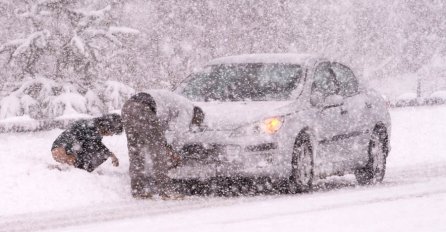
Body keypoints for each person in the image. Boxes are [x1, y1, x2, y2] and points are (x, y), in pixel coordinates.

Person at [121, 90, 195, 199]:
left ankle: (138, 190)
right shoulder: (189, 108)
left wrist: (167, 146)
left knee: (136, 152)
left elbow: (159, 129)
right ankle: (166, 191)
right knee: (159, 154)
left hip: (128, 107)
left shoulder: (172, 103)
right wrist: (174, 150)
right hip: (143, 109)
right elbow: (180, 131)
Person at [51, 113, 123, 172]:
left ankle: (72, 168)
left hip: (64, 149)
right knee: (97, 154)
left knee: (98, 153)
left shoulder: (95, 127)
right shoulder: (90, 127)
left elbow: (97, 144)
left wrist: (111, 155)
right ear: (107, 126)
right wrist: (68, 156)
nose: (111, 135)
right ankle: (65, 169)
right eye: (112, 132)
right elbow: (71, 138)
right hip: (61, 149)